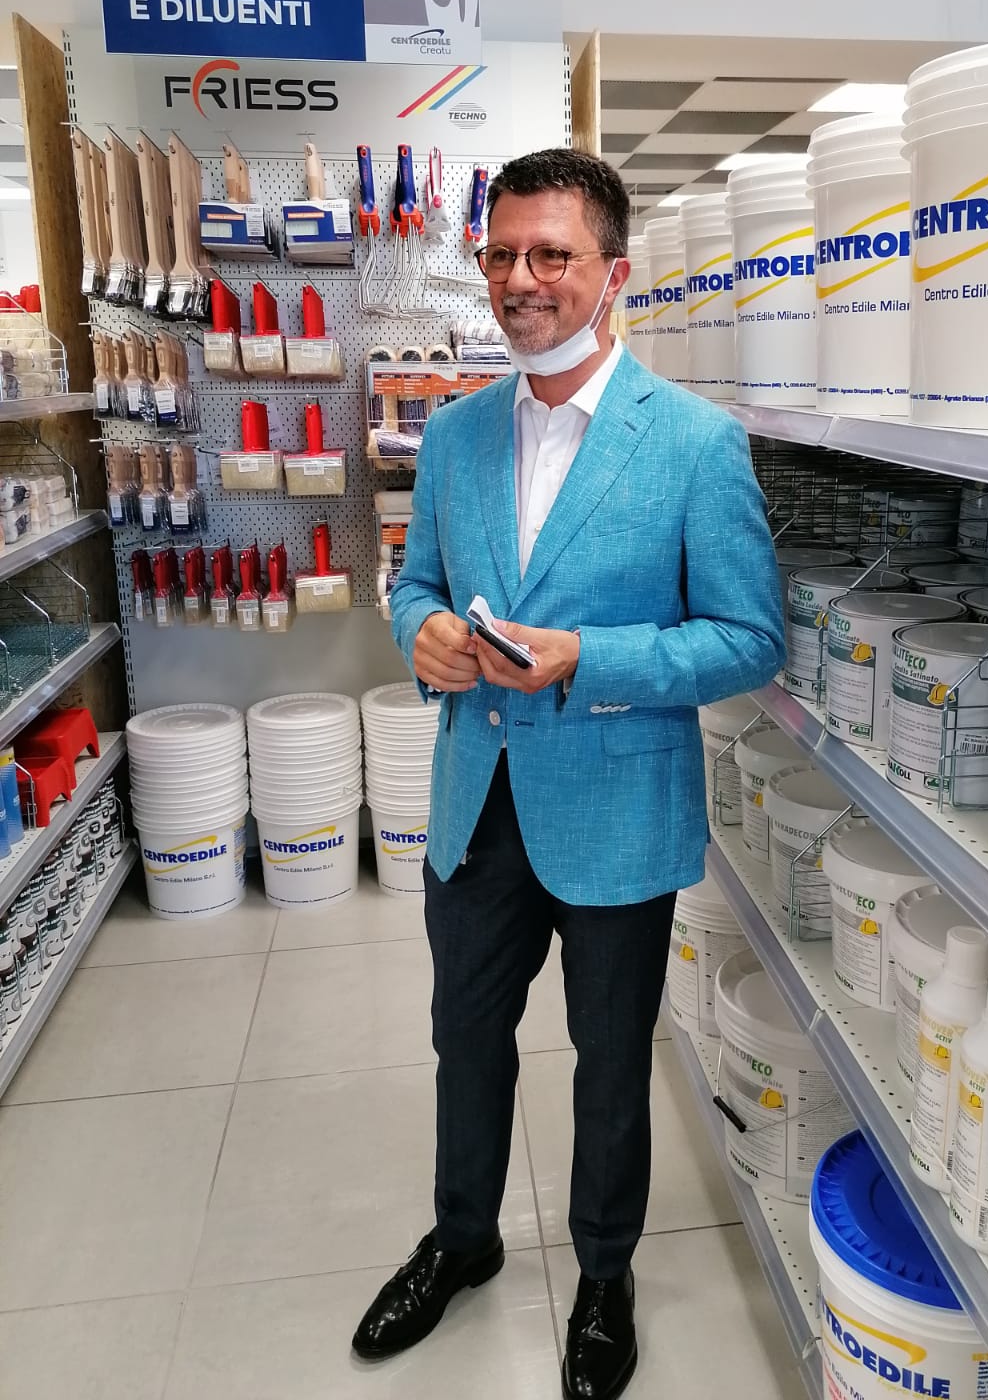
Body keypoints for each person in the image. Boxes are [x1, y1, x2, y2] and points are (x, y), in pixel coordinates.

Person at [353, 148, 784, 1399]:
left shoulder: (695, 444)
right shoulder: (454, 434)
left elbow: (748, 638)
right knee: (465, 1036)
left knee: (609, 1060)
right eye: (502, 253)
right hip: (476, 802)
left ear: (614, 274)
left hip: (615, 808)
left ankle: (604, 1273)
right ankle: (463, 1237)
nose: (521, 279)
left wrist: (589, 655)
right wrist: (421, 633)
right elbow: (416, 583)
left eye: (553, 254)